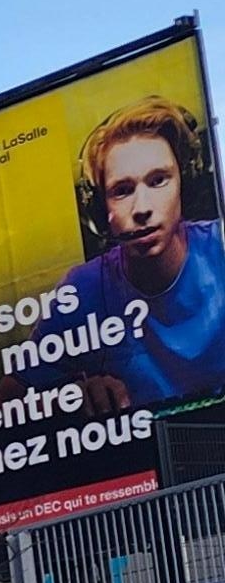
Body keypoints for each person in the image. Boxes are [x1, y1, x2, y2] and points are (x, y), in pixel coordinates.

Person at [57, 101, 225, 415]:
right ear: (99, 210)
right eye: (122, 190)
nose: (142, 207)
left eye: (158, 180)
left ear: (184, 184)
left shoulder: (221, 248)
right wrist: (68, 397)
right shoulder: (80, 289)